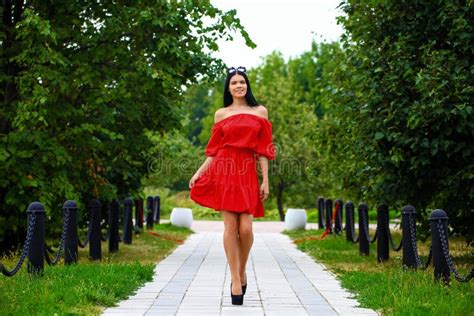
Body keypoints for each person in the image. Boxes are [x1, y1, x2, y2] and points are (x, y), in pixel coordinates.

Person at [189, 66, 275, 305]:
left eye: (242, 82)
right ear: (228, 88)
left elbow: (264, 150)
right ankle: (235, 281)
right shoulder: (221, 114)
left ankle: (242, 270)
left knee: (246, 229)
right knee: (230, 227)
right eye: (234, 83)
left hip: (247, 170)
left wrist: (265, 180)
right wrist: (199, 172)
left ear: (247, 85)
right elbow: (214, 151)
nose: (239, 86)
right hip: (224, 170)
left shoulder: (260, 112)